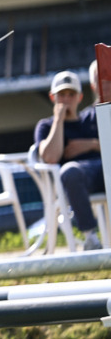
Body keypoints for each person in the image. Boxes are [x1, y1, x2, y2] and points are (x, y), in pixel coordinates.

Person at [35, 70, 104, 250]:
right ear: (52, 97)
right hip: (76, 179)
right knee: (70, 171)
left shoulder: (92, 117)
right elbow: (50, 157)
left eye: (71, 94)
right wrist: (59, 121)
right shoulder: (46, 126)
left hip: (104, 171)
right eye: (61, 95)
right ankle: (91, 238)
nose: (66, 99)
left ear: (80, 97)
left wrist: (92, 144)